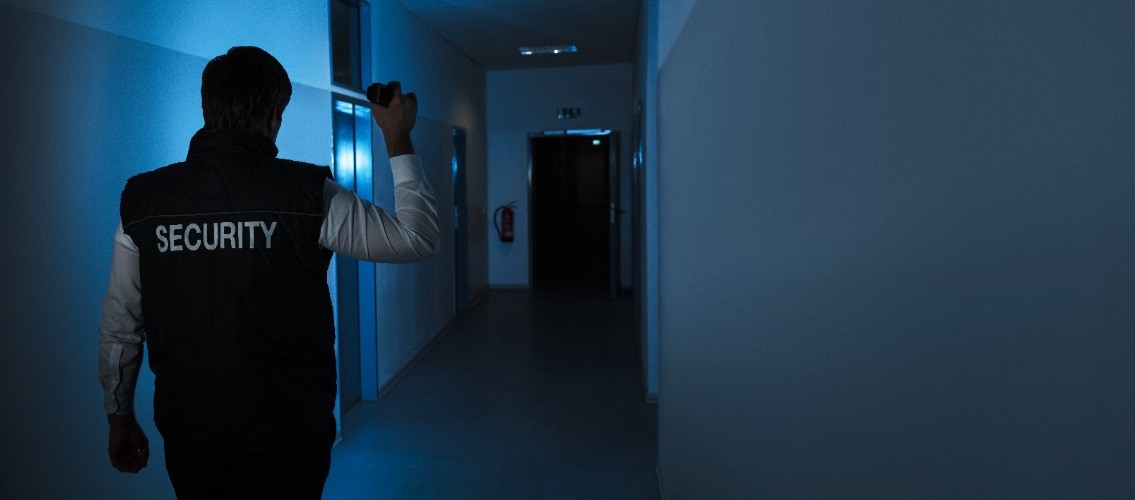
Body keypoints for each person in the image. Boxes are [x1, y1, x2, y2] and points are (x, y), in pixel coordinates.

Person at [97, 46, 438, 498]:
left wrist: (119, 416)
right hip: (289, 434)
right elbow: (416, 238)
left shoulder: (143, 201)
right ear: (274, 113)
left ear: (207, 107)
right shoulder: (307, 194)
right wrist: (397, 136)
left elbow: (121, 328)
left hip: (192, 434)